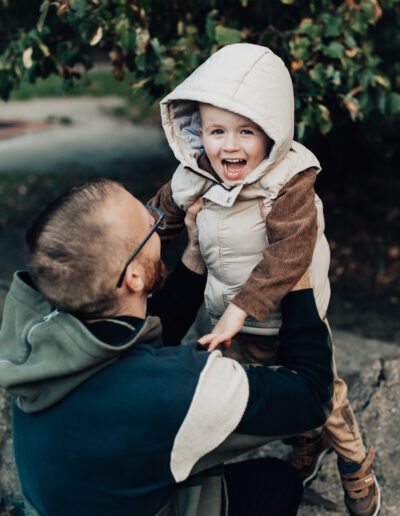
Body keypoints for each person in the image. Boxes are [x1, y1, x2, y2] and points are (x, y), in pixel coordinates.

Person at [0, 178, 333, 516]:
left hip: (65, 501)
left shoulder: (33, 324)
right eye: (152, 224)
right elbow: (310, 393)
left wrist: (194, 256)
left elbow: (135, 345)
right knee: (277, 482)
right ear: (134, 278)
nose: (159, 219)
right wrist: (293, 268)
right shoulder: (179, 389)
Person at [150, 43, 380, 515]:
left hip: (289, 318)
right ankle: (304, 439)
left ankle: (355, 463)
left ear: (272, 132)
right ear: (198, 130)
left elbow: (289, 250)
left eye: (246, 131)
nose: (228, 146)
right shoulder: (198, 173)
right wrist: (132, 245)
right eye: (216, 130)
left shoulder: (289, 181)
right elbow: (159, 216)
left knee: (323, 394)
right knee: (254, 390)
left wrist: (242, 307)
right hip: (224, 315)